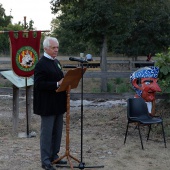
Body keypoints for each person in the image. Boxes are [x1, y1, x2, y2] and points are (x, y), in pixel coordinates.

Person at [33, 37, 67, 170]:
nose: (56, 50)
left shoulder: (56, 62)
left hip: (58, 103)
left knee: (57, 132)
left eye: (57, 47)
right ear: (46, 48)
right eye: (54, 48)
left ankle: (54, 156)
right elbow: (39, 84)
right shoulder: (41, 64)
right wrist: (57, 84)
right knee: (47, 133)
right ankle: (45, 160)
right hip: (47, 105)